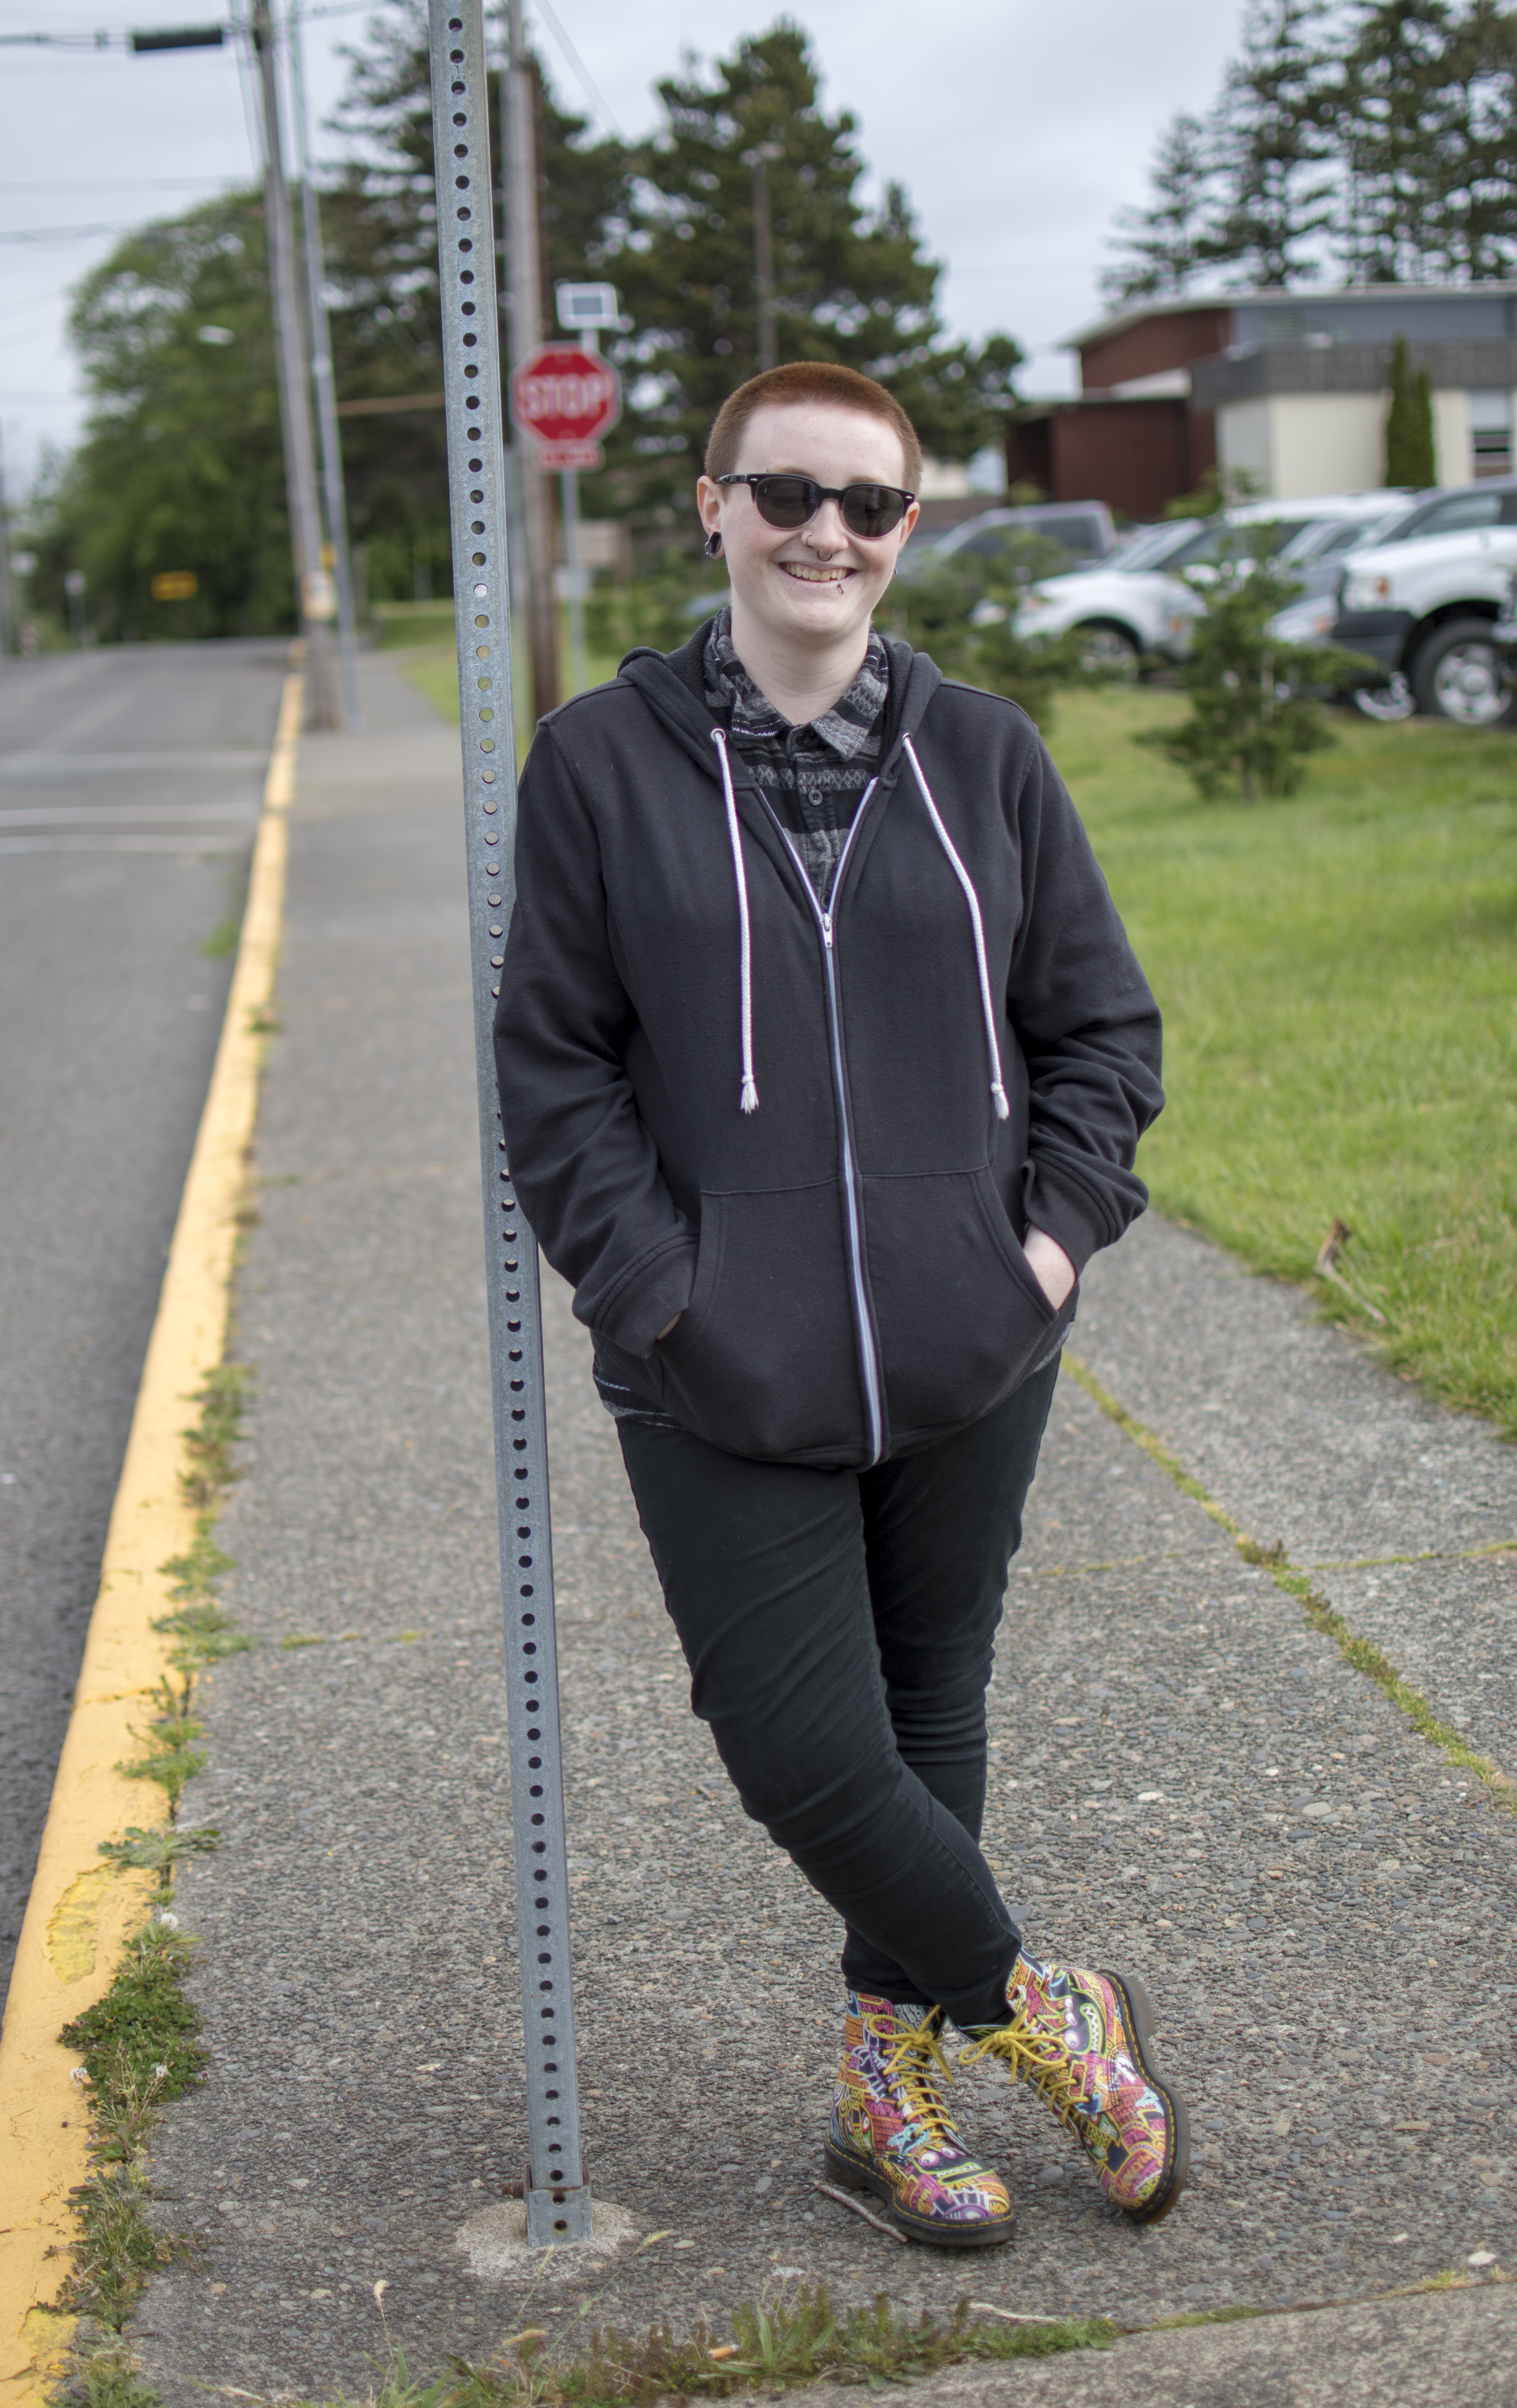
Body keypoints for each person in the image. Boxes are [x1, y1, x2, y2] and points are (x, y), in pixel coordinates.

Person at [495, 360, 1185, 2248]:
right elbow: (550, 1069)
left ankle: (884, 2101)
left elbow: (1100, 1035)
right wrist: (655, 1296)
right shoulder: (599, 763)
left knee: (927, 1715)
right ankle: (1044, 2013)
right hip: (712, 1361)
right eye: (784, 493)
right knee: (797, 1743)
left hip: (970, 1348)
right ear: (713, 506)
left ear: (905, 532)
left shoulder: (985, 756)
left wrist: (1038, 1250)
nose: (824, 532)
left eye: (866, 504)